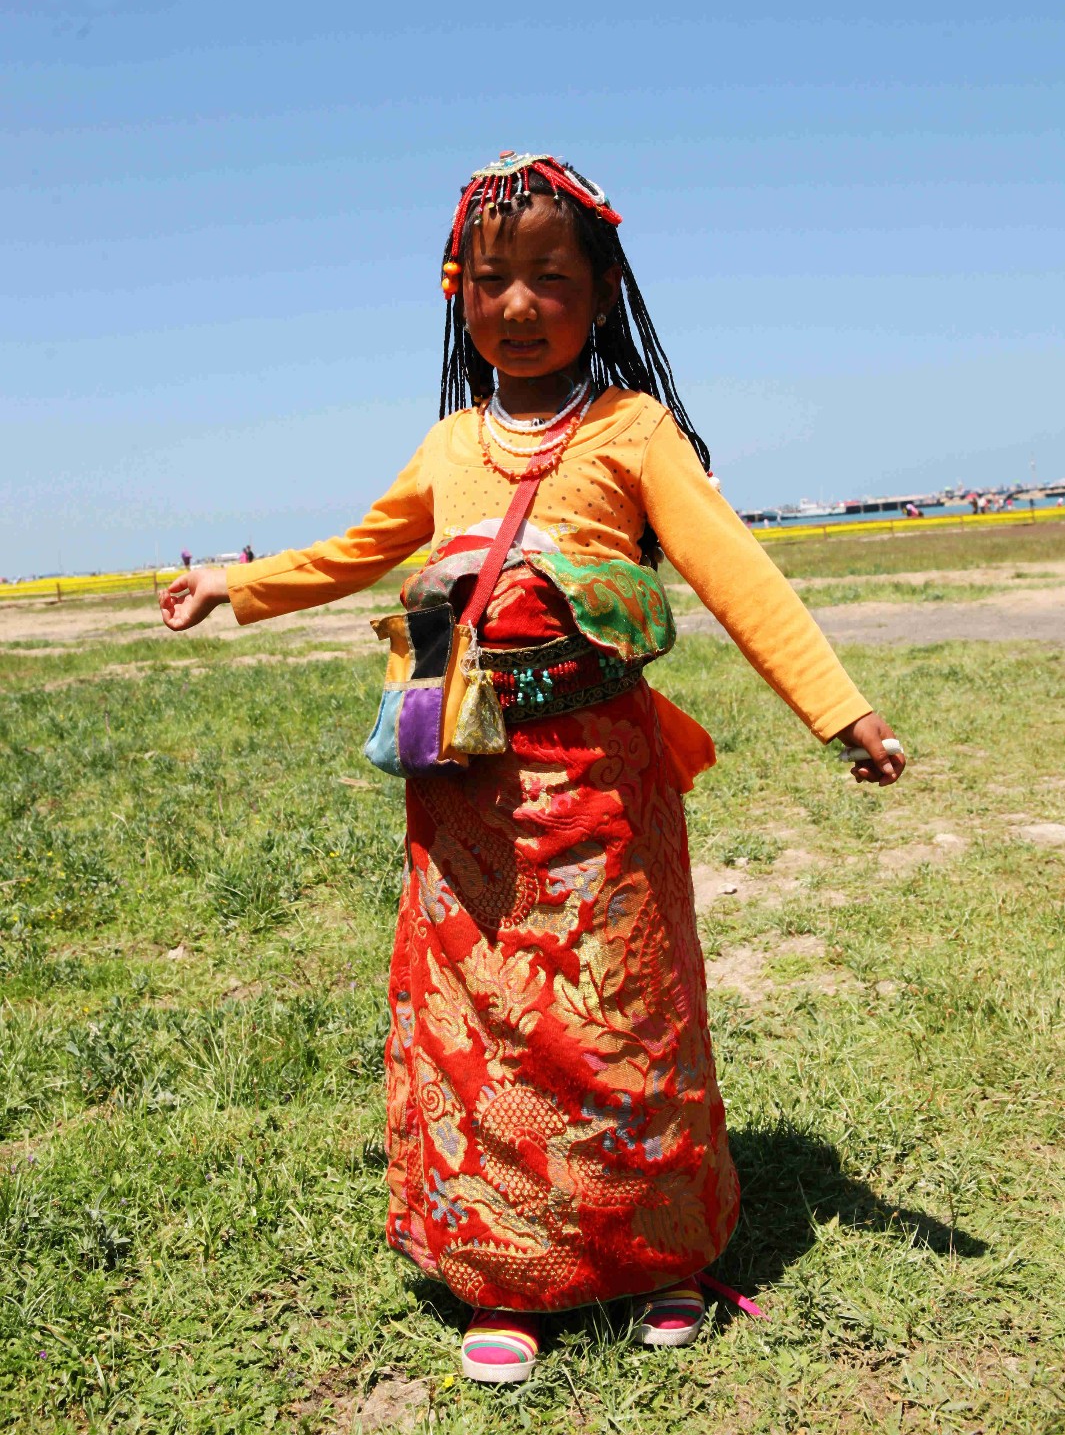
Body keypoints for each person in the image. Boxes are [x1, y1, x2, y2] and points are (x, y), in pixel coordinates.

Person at [159, 152, 905, 1385]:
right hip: (469, 790)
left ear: (602, 291)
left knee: (625, 1016)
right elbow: (358, 548)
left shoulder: (632, 431)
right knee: (485, 1033)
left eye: (550, 278)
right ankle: (505, 1276)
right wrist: (235, 583)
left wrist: (842, 712)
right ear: (459, 294)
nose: (518, 305)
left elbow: (737, 576)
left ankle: (657, 1256)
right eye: (491, 280)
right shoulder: (451, 443)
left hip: (605, 783)